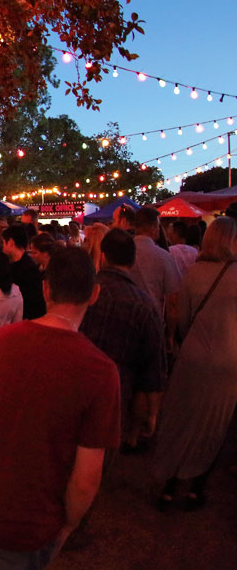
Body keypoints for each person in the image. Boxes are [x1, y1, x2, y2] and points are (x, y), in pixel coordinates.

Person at [0, 247, 120, 570]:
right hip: (30, 521)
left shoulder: (5, 340)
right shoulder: (101, 372)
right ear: (94, 295)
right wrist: (68, 525)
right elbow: (87, 477)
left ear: (46, 289)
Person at [151, 216, 237, 510]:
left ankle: (169, 484)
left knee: (182, 419)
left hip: (193, 355)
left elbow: (182, 318)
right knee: (214, 424)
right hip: (228, 361)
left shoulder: (194, 273)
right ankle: (195, 488)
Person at [79, 229, 166, 454]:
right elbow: (152, 368)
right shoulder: (144, 304)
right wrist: (152, 412)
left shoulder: (82, 291)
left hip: (78, 387)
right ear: (133, 260)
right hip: (118, 398)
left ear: (104, 256)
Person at [130, 206, 182, 321]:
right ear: (153, 228)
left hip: (127, 317)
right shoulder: (163, 256)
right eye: (158, 226)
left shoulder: (124, 252)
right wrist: (170, 335)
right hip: (153, 318)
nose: (159, 229)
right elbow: (173, 299)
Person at [2, 225, 46, 319]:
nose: (2, 247)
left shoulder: (24, 269)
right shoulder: (27, 265)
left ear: (10, 243)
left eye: (3, 243)